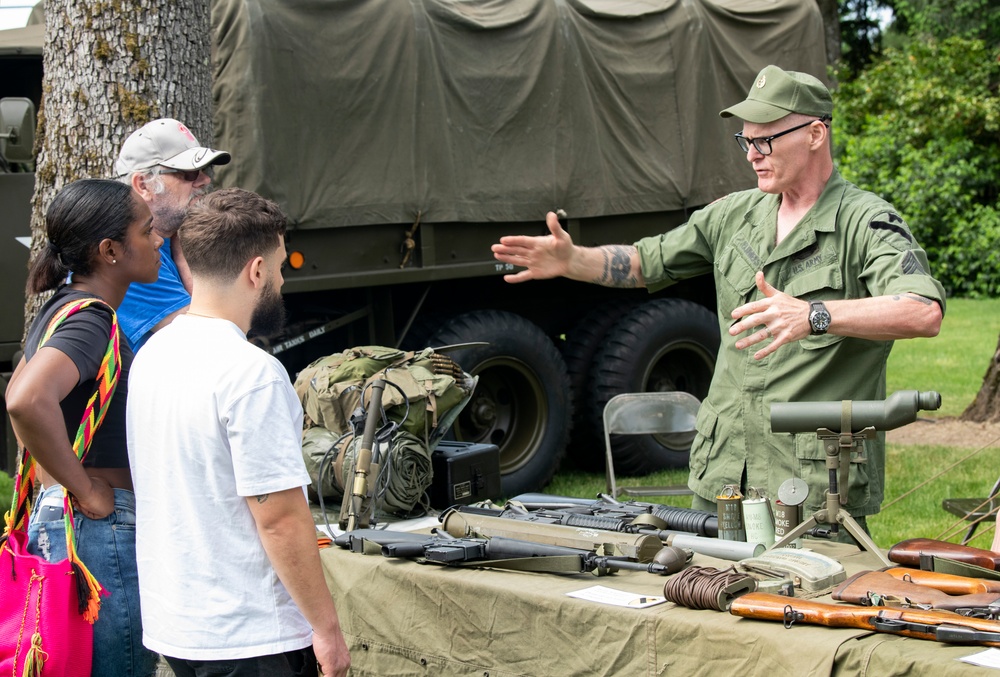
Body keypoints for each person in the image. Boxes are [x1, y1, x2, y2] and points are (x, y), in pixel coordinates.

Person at [492, 65, 946, 531]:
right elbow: (647, 262)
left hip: (809, 485)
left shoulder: (865, 221)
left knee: (806, 600)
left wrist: (815, 314)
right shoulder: (733, 215)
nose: (752, 155)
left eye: (765, 141)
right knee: (707, 595)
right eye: (746, 141)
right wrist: (574, 261)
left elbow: (921, 310)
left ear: (814, 133)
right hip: (724, 475)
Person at [126, 188, 351, 677]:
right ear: (255, 271)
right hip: (250, 635)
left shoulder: (150, 355)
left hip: (178, 625)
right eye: (278, 267)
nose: (282, 279)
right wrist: (328, 629)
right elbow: (281, 520)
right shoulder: (254, 373)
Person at [5, 179, 163, 676]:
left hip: (77, 529)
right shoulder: (91, 319)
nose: (158, 240)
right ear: (111, 250)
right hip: (99, 532)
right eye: (148, 229)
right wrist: (85, 489)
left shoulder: (62, 308)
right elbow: (26, 401)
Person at [115, 117, 231, 351]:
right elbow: (213, 341)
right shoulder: (124, 253)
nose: (205, 180)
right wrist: (182, 254)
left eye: (204, 170)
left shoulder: (174, 238)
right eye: (189, 173)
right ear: (144, 185)